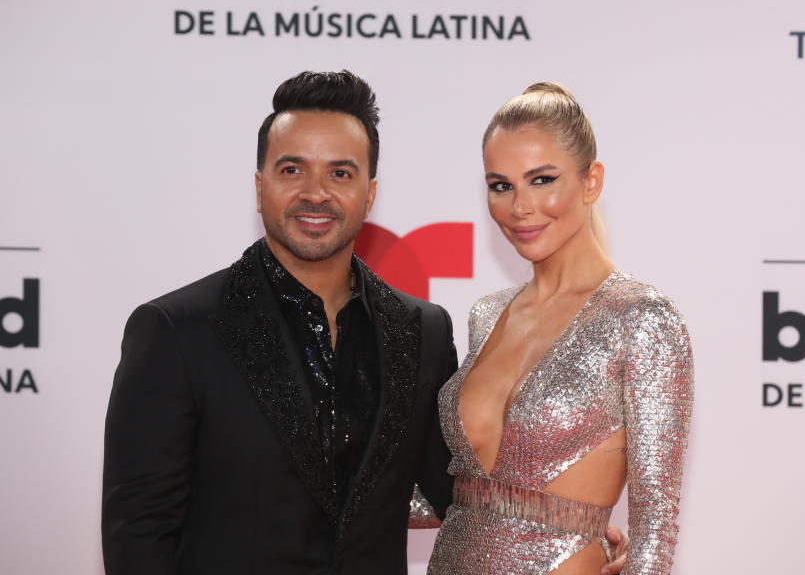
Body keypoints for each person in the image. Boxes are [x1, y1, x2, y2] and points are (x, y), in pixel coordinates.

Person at [102, 71, 630, 574]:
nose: (316, 192)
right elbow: (138, 533)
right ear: (259, 186)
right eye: (292, 170)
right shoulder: (178, 330)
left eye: (340, 172)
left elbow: (450, 490)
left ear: (369, 193)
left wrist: (559, 524)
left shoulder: (421, 332)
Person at [426, 83, 694, 575]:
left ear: (591, 181)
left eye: (542, 179)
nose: (520, 207)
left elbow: (656, 528)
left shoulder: (641, 320)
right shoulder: (486, 316)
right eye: (501, 185)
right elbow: (460, 494)